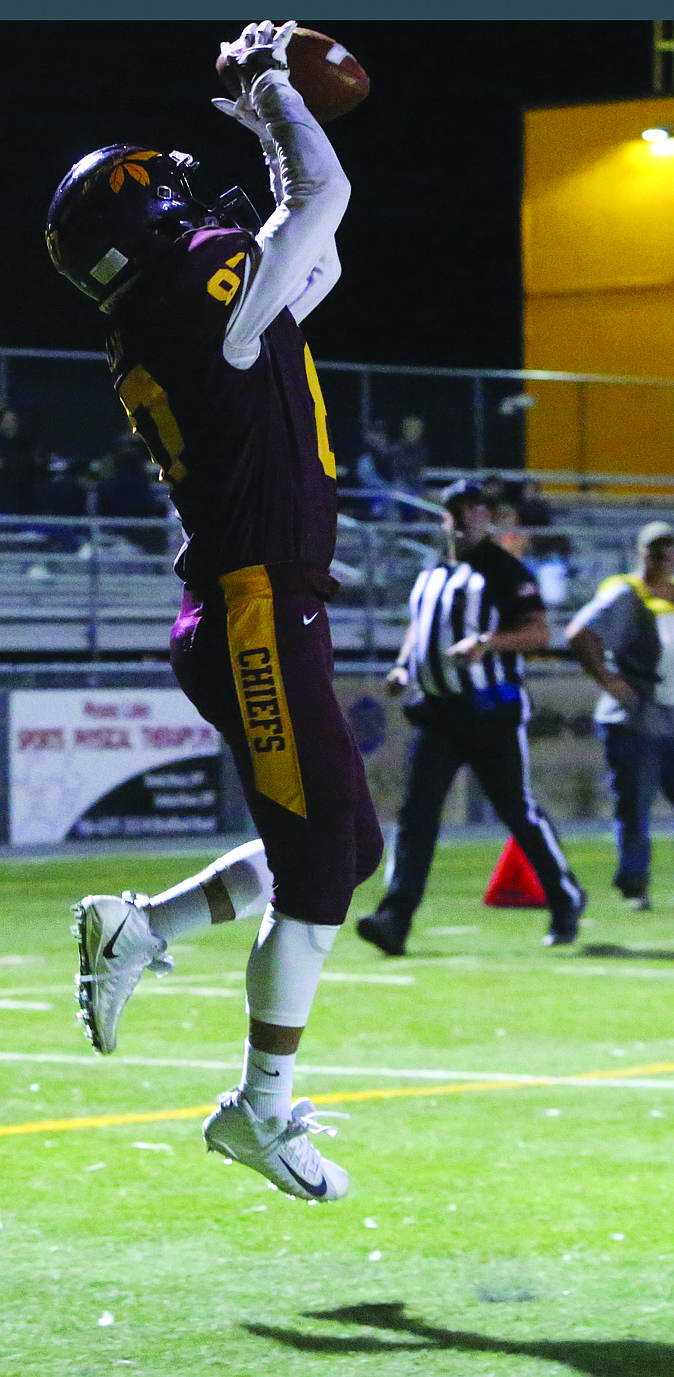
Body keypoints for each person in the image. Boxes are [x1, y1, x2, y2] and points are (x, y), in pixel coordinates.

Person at [46, 21, 383, 1201]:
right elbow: (321, 192)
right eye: (173, 198)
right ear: (148, 226)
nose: (196, 205)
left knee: (354, 849)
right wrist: (272, 91)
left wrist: (269, 121)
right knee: (323, 873)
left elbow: (317, 240)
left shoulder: (178, 307)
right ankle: (260, 1108)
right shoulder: (197, 292)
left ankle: (142, 930)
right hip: (253, 610)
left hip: (258, 606)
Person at [357, 478, 586, 956]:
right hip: (438, 714)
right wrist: (403, 667)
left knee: (516, 812)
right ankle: (394, 918)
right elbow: (420, 629)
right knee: (417, 817)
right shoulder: (433, 570)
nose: (464, 518)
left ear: (487, 515)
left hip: (490, 714)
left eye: (473, 509)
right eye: (456, 509)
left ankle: (565, 897)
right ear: (445, 516)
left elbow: (540, 632)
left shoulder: (504, 571)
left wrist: (488, 644)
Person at [565, 521, 674, 912]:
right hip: (638, 718)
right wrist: (611, 683)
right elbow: (579, 633)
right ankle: (635, 884)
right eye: (655, 548)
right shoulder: (626, 593)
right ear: (641, 552)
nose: (663, 556)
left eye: (668, 548)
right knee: (635, 808)